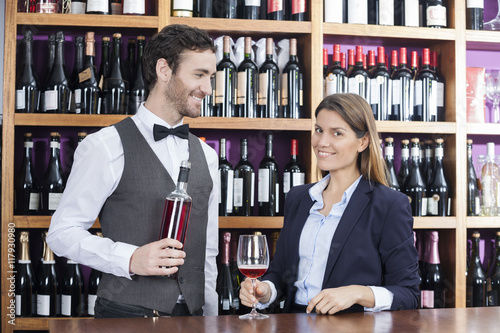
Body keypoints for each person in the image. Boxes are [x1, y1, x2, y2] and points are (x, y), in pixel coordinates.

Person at [47, 24, 219, 318]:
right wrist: (130, 258)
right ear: (164, 70)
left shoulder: (208, 155)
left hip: (193, 317)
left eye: (211, 77)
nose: (208, 89)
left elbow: (209, 250)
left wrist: (211, 314)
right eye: (199, 75)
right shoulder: (104, 146)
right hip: (124, 315)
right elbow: (61, 233)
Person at [240, 93, 420, 315]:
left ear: (363, 142)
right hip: (292, 323)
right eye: (319, 130)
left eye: (337, 133)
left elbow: (408, 294)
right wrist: (265, 290)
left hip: (350, 328)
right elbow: (281, 273)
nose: (322, 142)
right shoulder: (298, 198)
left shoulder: (389, 205)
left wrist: (358, 293)